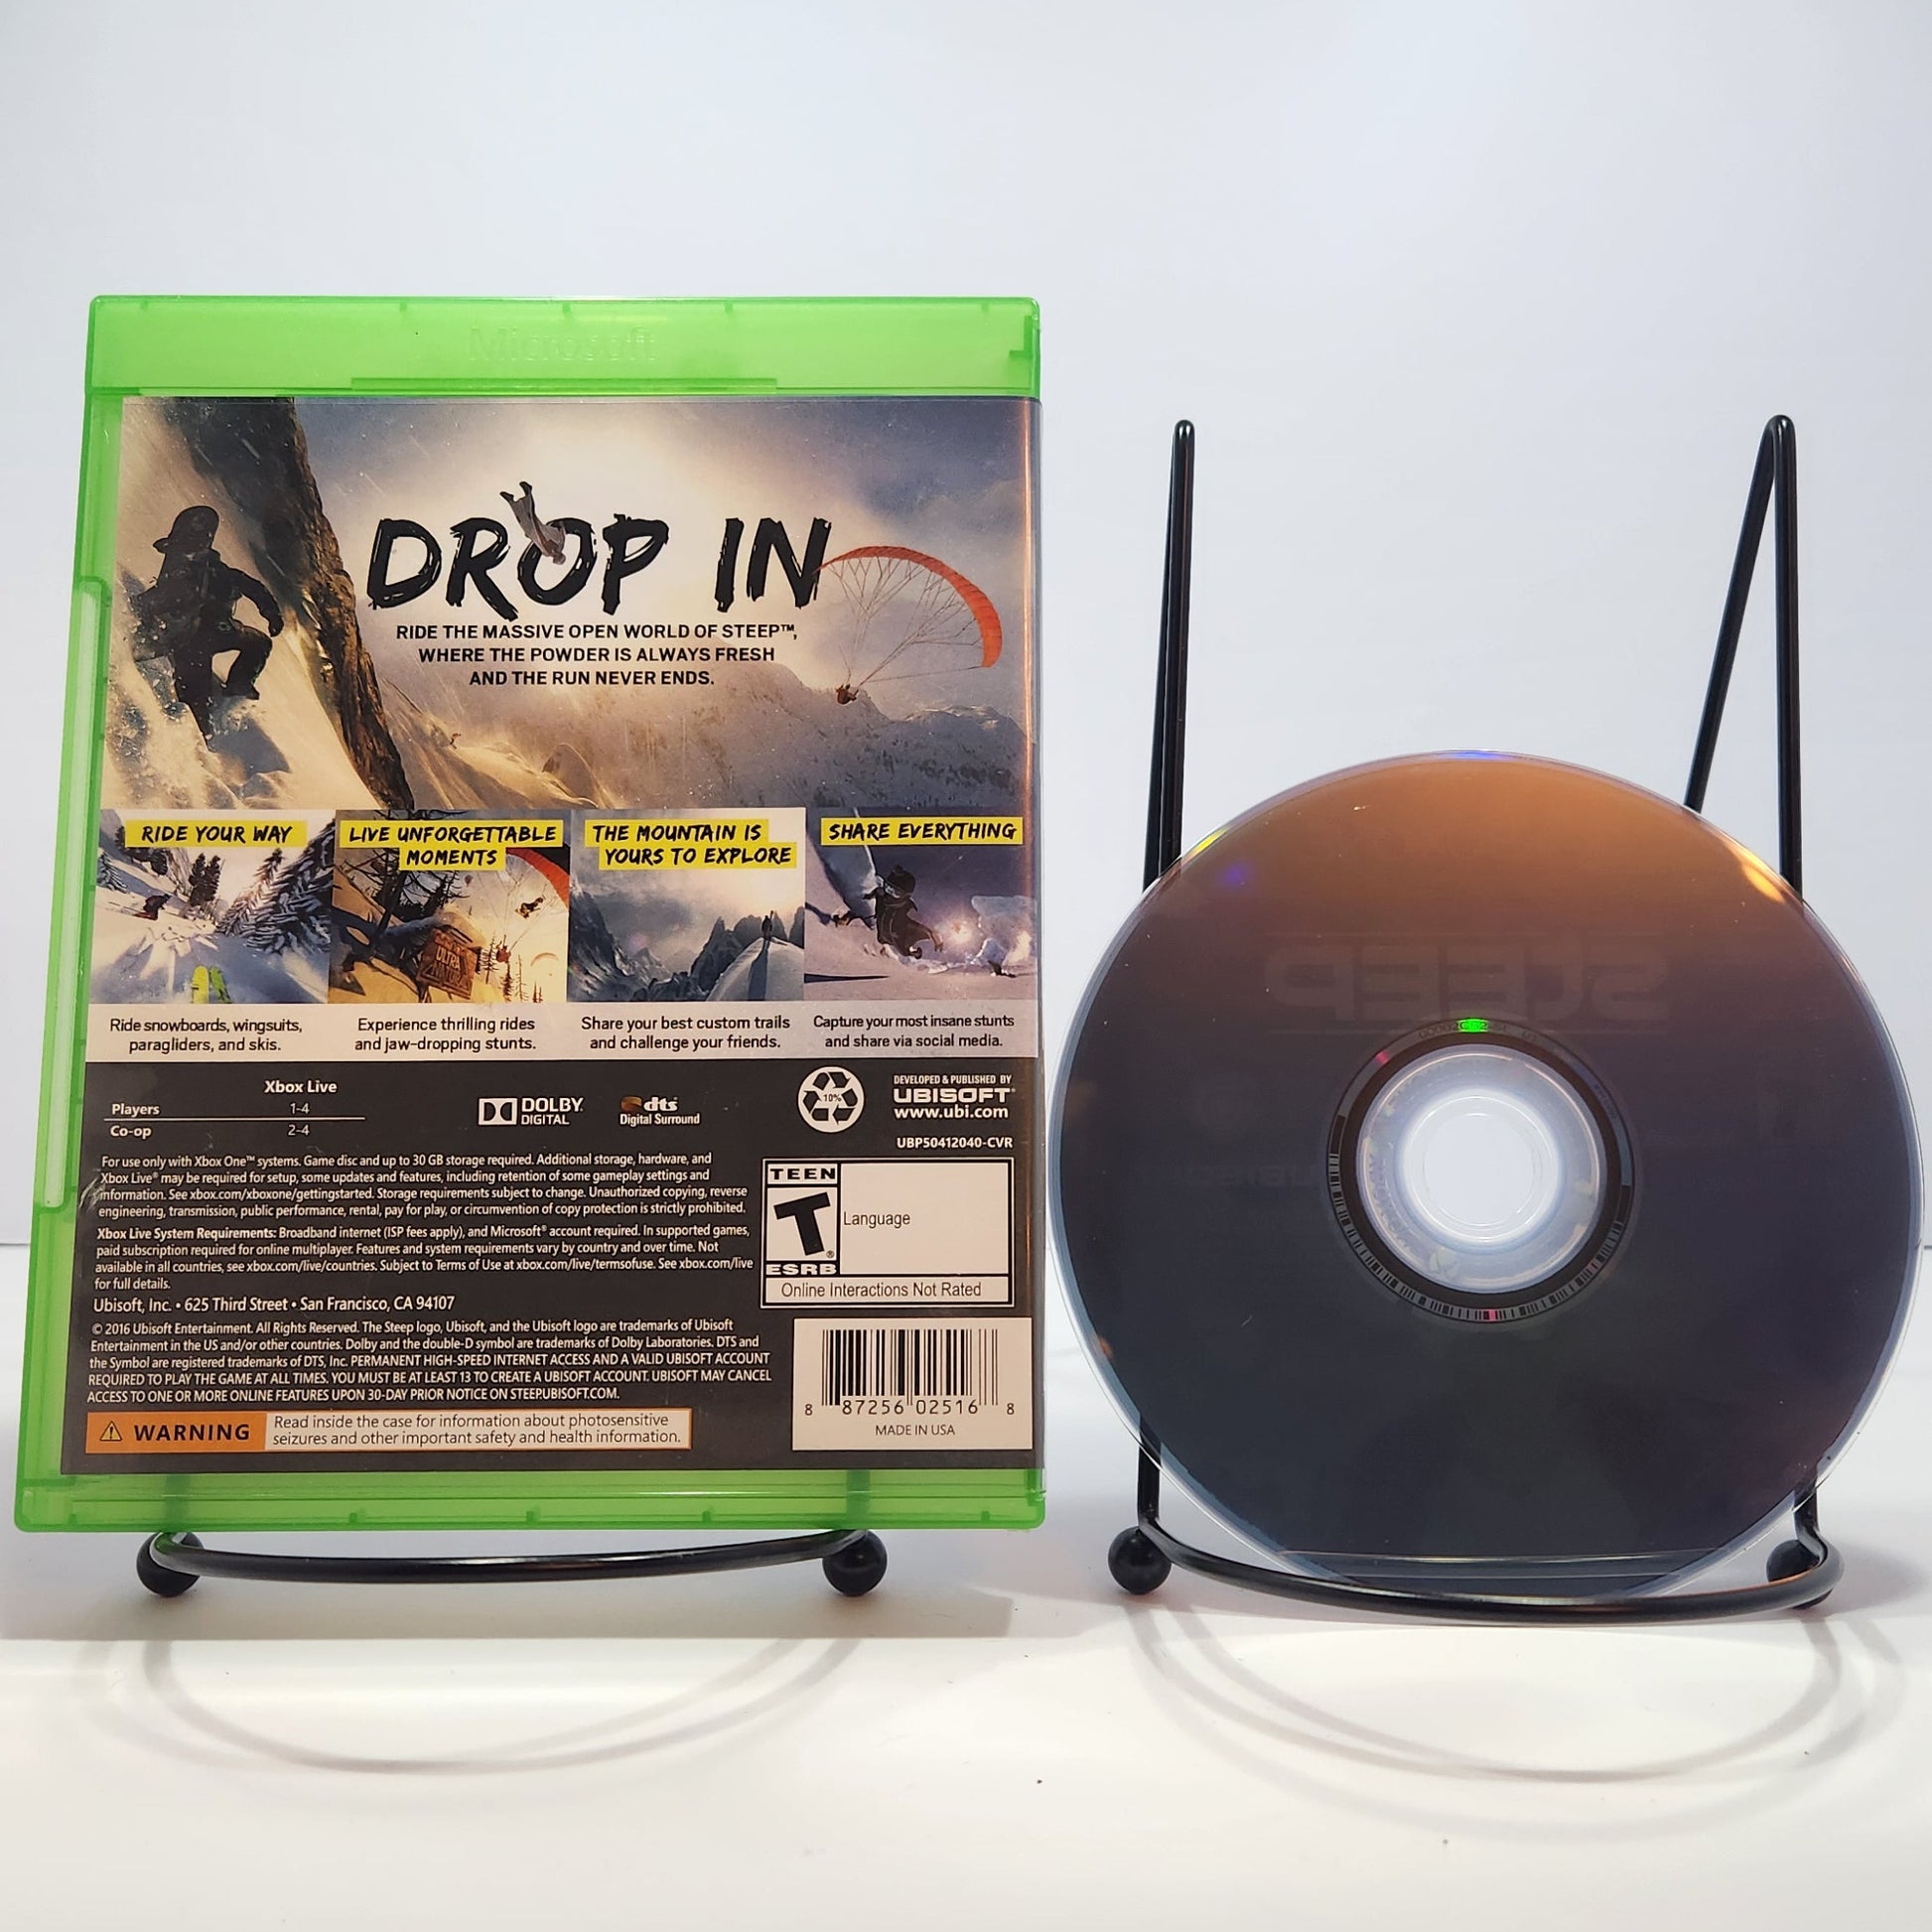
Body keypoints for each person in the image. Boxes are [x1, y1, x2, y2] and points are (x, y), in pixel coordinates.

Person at [131, 506, 283, 736]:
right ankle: (230, 695)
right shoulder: (215, 573)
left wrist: (133, 610)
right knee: (257, 644)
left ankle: (220, 704)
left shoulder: (191, 571)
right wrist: (271, 614)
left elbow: (159, 599)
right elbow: (253, 587)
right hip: (207, 636)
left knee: (196, 696)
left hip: (192, 641)